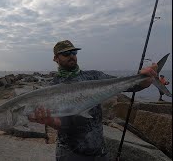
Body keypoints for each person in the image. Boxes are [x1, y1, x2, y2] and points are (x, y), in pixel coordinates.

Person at [28, 40, 158, 161]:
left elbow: (126, 85)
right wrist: (49, 121)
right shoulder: (51, 88)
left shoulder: (94, 76)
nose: (71, 56)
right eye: (66, 53)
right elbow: (63, 124)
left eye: (74, 52)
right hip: (69, 153)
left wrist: (143, 80)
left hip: (99, 150)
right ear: (56, 58)